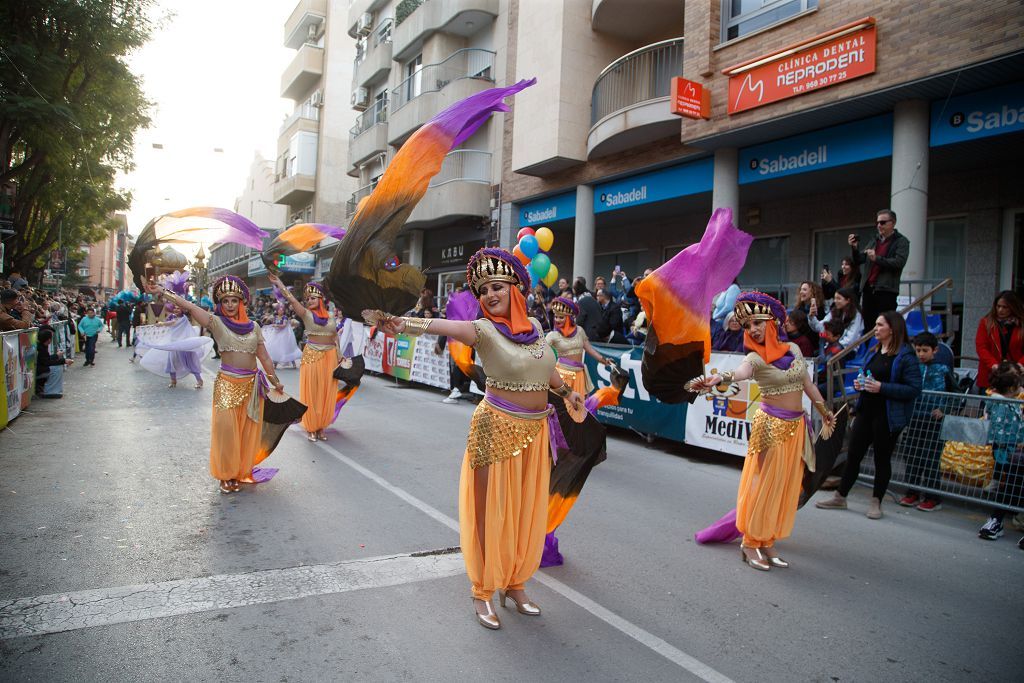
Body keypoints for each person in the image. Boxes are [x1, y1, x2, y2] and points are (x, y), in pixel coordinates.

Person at [378, 247, 584, 630]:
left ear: (516, 290)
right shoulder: (484, 330)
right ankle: (483, 591)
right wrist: (400, 324)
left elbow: (548, 371)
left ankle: (515, 583)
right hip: (496, 429)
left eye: (497, 287)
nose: (490, 294)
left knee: (525, 511)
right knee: (490, 513)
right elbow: (444, 326)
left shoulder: (537, 331)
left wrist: (566, 392)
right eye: (483, 289)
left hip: (536, 433)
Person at [689, 292, 835, 571]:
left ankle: (768, 540)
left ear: (773, 322)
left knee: (783, 489)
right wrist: (719, 377)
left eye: (757, 322)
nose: (752, 329)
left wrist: (825, 411)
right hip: (770, 428)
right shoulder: (755, 358)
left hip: (795, 429)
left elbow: (808, 385)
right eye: (747, 326)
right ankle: (750, 542)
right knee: (763, 486)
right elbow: (741, 373)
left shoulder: (793, 350)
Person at [146, 275, 289, 494]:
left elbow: (265, 357)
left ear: (242, 303)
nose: (230, 305)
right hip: (227, 385)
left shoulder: (255, 327)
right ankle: (225, 474)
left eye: (234, 300)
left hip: (251, 387)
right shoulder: (217, 322)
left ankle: (239, 471)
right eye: (225, 301)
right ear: (220, 304)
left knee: (245, 432)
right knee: (226, 432)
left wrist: (275, 381)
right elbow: (190, 307)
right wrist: (162, 291)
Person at [816, 311, 922, 519]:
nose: (875, 329)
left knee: (882, 459)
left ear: (892, 328)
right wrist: (861, 384)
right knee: (854, 454)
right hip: (867, 410)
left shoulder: (906, 356)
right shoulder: (874, 350)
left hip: (888, 415)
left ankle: (876, 501)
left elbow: (913, 389)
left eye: (879, 325)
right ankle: (840, 496)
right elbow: (868, 377)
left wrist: (882, 387)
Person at [269, 274, 338, 442]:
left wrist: (341, 357)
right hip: (313, 355)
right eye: (308, 298)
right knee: (313, 392)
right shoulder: (306, 314)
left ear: (321, 299)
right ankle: (311, 427)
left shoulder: (330, 317)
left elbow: (336, 338)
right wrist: (280, 284)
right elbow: (292, 300)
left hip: (330, 357)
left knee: (326, 393)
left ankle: (321, 426)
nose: (310, 300)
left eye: (313, 297)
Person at [899, 332, 958, 512]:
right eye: (918, 350)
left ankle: (933, 497)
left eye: (925, 350)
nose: (921, 354)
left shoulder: (944, 370)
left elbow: (957, 396)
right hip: (915, 417)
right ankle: (912, 492)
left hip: (934, 422)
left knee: (930, 458)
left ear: (935, 350)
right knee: (912, 456)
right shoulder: (912, 367)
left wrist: (944, 410)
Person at [977, 362, 1024, 542]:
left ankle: (998, 519)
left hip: (1013, 451)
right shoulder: (1003, 404)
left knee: (1013, 483)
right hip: (1014, 452)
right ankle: (996, 520)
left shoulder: (1003, 401)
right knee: (1012, 482)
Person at [849, 209, 910, 328]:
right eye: (877, 223)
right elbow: (859, 260)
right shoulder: (875, 240)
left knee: (885, 326)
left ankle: (883, 347)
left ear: (892, 223)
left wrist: (876, 258)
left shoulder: (901, 242)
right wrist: (855, 248)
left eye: (882, 222)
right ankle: (869, 347)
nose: (879, 225)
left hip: (886, 291)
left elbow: (899, 262)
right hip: (868, 290)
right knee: (868, 326)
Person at [547, 296, 615, 398]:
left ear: (569, 318)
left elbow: (590, 350)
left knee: (580, 408)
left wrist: (604, 360)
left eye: (561, 317)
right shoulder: (553, 335)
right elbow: (541, 351)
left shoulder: (579, 331)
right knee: (564, 409)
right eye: (556, 317)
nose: (557, 320)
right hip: (562, 376)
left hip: (579, 375)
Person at [974, 290, 1024, 393]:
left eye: (1005, 307)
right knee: (987, 407)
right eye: (998, 306)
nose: (1000, 310)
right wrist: (993, 365)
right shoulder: (986, 323)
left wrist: (1019, 365)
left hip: (1015, 375)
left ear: (1013, 307)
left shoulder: (1021, 325)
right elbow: (981, 347)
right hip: (992, 375)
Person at [35, 328, 73, 398]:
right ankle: (51, 391)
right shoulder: (41, 348)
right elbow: (47, 362)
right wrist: (64, 361)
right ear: (49, 340)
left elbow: (46, 359)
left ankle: (52, 390)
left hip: (40, 368)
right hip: (39, 371)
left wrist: (57, 356)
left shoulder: (42, 346)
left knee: (57, 366)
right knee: (57, 368)